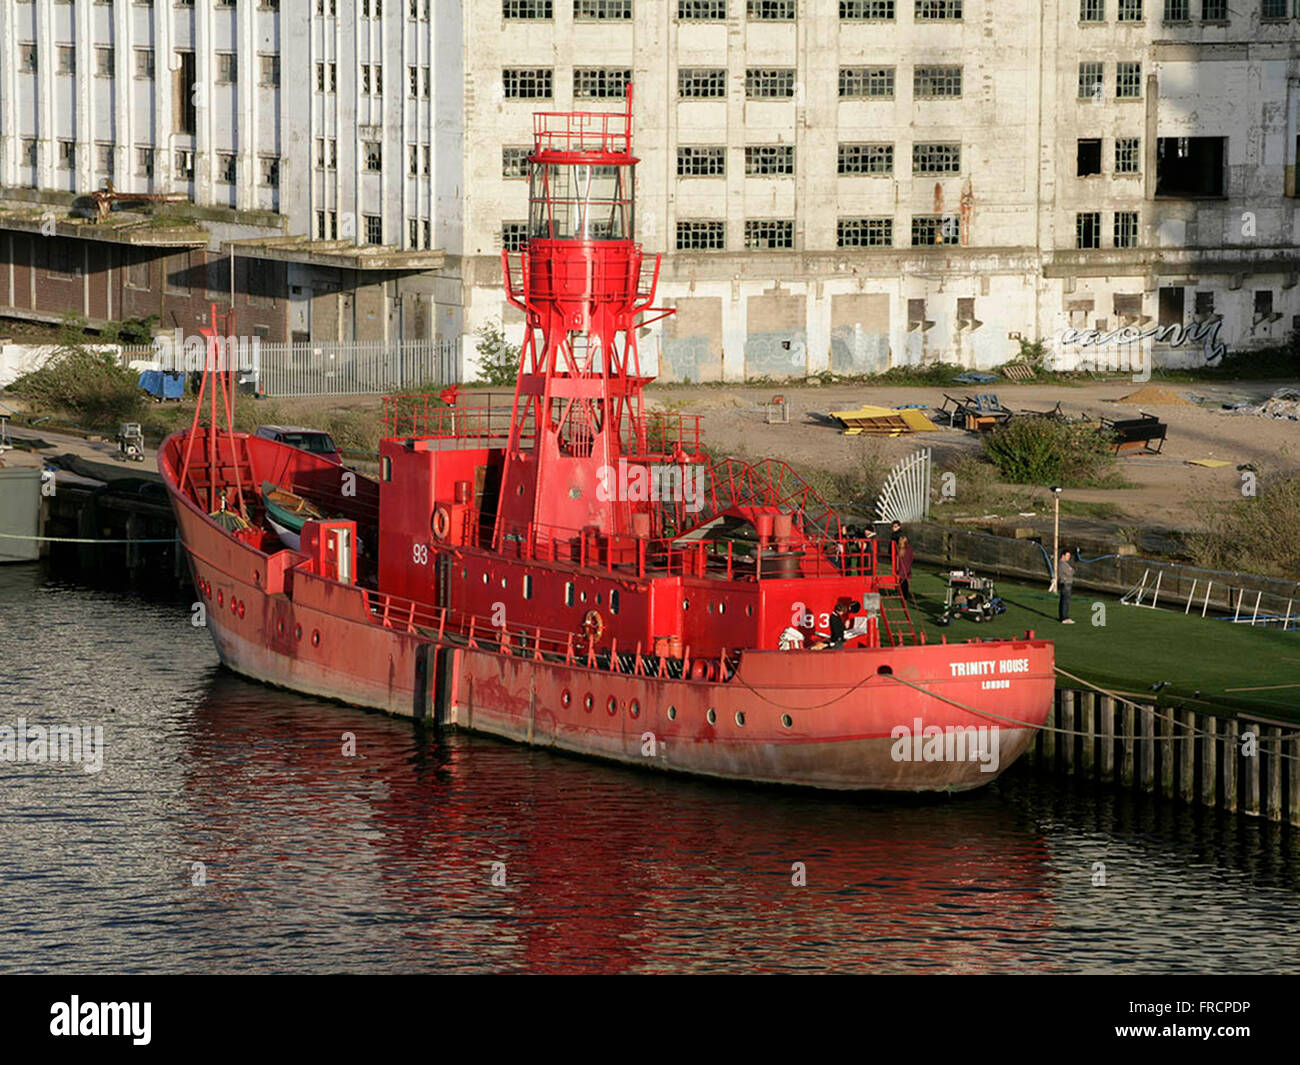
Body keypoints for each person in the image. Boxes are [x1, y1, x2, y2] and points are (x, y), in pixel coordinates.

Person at [1058, 549, 1075, 624]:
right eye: (1067, 556)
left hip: (1067, 584)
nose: (1068, 557)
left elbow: (1072, 571)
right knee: (1065, 601)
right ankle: (1064, 617)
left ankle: (1064, 617)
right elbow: (1070, 572)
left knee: (1065, 601)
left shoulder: (1065, 564)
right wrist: (1071, 570)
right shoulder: (1062, 564)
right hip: (1065, 584)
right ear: (1063, 556)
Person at [896, 534, 915, 602]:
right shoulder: (908, 549)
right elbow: (912, 558)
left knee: (902, 582)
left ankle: (902, 594)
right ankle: (904, 595)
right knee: (905, 582)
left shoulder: (899, 549)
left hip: (902, 567)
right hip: (907, 567)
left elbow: (897, 559)